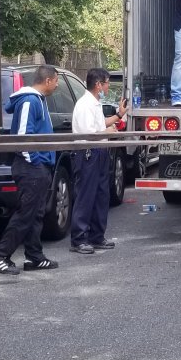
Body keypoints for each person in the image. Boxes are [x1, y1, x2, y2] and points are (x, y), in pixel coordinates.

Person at [0, 65, 62, 275]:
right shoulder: (30, 101)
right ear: (48, 80)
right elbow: (23, 136)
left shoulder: (37, 99)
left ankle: (35, 257)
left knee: (35, 215)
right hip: (31, 168)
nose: (57, 85)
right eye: (56, 81)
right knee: (25, 215)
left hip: (37, 166)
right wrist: (35, 162)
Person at [68, 68, 128, 254]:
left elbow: (101, 125)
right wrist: (106, 132)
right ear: (98, 85)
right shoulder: (85, 104)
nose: (108, 87)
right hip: (88, 153)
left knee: (101, 195)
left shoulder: (95, 103)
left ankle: (96, 236)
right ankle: (79, 239)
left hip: (100, 151)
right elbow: (89, 134)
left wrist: (119, 115)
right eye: (107, 83)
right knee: (86, 196)